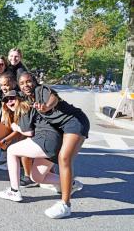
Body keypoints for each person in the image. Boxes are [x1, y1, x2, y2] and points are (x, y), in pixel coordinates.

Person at [17, 71, 89, 219]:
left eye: (28, 81)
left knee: (64, 158)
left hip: (75, 121)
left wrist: (46, 106)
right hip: (61, 130)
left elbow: (53, 98)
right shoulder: (28, 102)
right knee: (36, 176)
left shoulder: (40, 90)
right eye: (22, 83)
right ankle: (72, 184)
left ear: (35, 81)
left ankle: (65, 204)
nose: (26, 85)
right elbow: (26, 129)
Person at [0, 90, 63, 208]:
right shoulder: (25, 108)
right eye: (6, 100)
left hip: (47, 140)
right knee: (36, 177)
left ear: (19, 98)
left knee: (11, 150)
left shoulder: (24, 107)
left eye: (12, 98)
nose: (9, 101)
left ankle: (14, 191)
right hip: (55, 143)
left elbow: (28, 132)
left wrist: (15, 127)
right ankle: (71, 183)